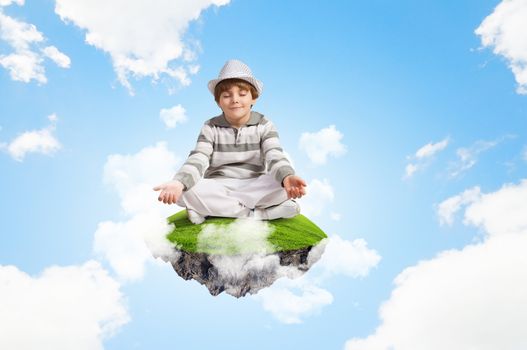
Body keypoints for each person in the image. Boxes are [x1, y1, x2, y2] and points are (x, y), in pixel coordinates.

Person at [153, 59, 307, 224]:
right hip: (218, 185)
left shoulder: (265, 125)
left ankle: (208, 210)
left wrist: (287, 177)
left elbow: (274, 155)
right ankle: (260, 215)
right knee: (183, 193)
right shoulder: (210, 126)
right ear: (219, 101)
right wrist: (178, 183)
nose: (234, 99)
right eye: (227, 95)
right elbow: (198, 157)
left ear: (253, 98)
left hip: (253, 185)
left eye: (242, 94)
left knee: (281, 188)